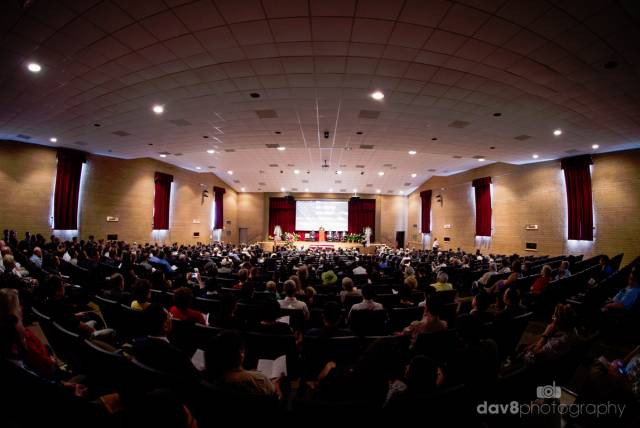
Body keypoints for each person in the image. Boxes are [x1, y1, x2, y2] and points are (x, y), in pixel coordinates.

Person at [0, 288, 57, 379]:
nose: (21, 307)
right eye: (18, 306)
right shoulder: (21, 338)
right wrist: (51, 361)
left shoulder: (18, 332)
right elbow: (48, 368)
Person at [132, 304, 199, 379]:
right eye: (169, 316)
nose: (171, 318)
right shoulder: (178, 356)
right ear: (165, 326)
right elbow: (196, 377)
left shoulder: (137, 343)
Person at [204, 330, 278, 397]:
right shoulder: (260, 381)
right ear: (241, 354)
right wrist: (277, 383)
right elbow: (275, 394)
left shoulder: (209, 380)